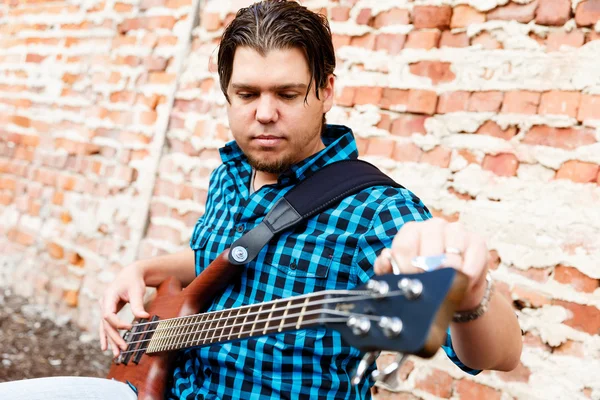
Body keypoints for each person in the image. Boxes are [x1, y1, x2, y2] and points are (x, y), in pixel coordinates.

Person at [0, 1, 522, 399]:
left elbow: (502, 353)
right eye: (247, 94)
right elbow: (212, 255)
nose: (265, 113)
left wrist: (471, 295)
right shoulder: (229, 174)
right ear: (227, 93)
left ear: (327, 91)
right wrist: (143, 267)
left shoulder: (375, 212)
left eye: (288, 94)